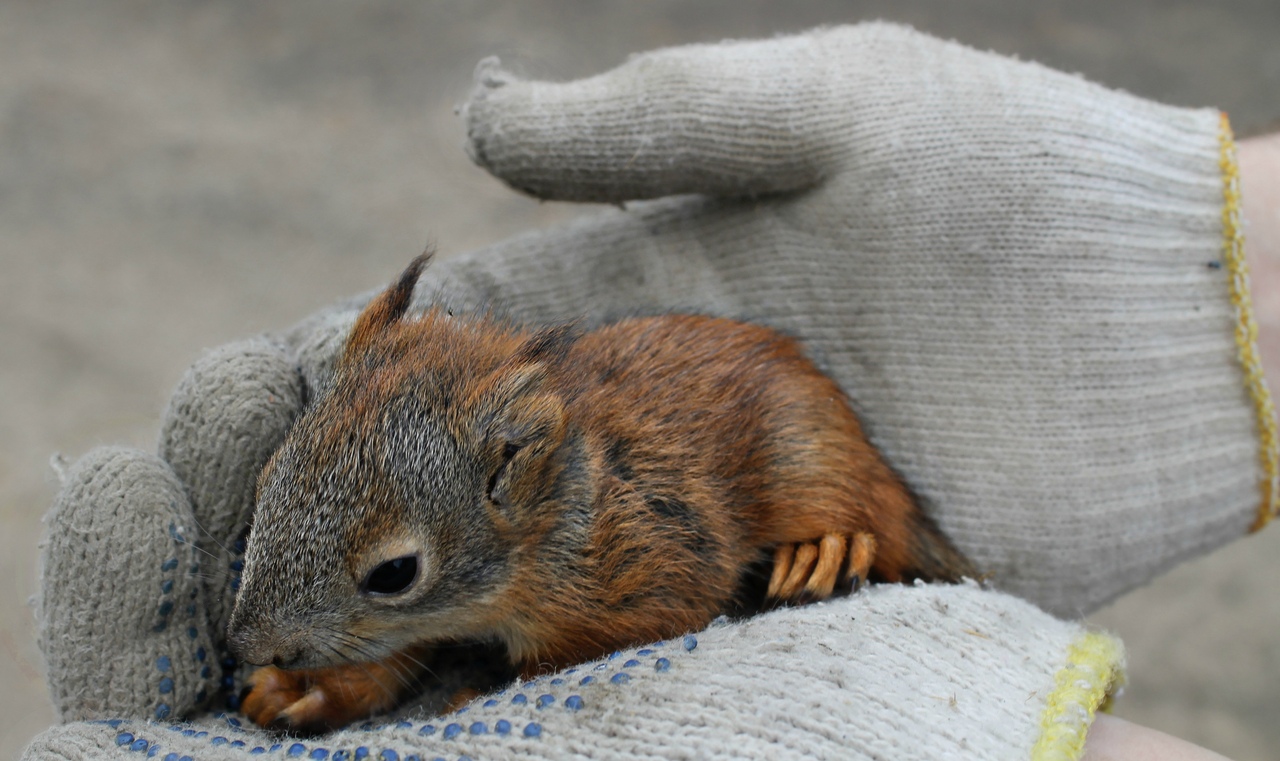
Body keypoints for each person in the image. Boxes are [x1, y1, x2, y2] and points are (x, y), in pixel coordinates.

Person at [26, 23, 1277, 761]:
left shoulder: (585, 560)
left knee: (798, 444)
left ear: (517, 478)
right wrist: (342, 672)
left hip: (767, 434)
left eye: (390, 574)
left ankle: (870, 531)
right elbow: (421, 638)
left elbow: (660, 592)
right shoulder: (453, 530)